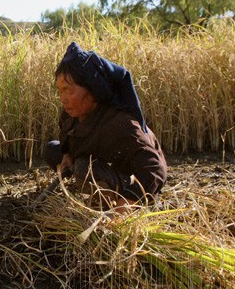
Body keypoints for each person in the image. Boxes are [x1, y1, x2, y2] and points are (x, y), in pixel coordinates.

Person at [45, 42, 167, 214]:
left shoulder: (121, 123)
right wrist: (66, 154)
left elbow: (155, 169)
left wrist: (128, 201)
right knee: (52, 150)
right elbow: (65, 134)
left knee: (83, 169)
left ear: (94, 90)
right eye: (60, 91)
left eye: (69, 91)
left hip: (130, 177)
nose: (63, 99)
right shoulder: (71, 113)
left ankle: (116, 198)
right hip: (96, 159)